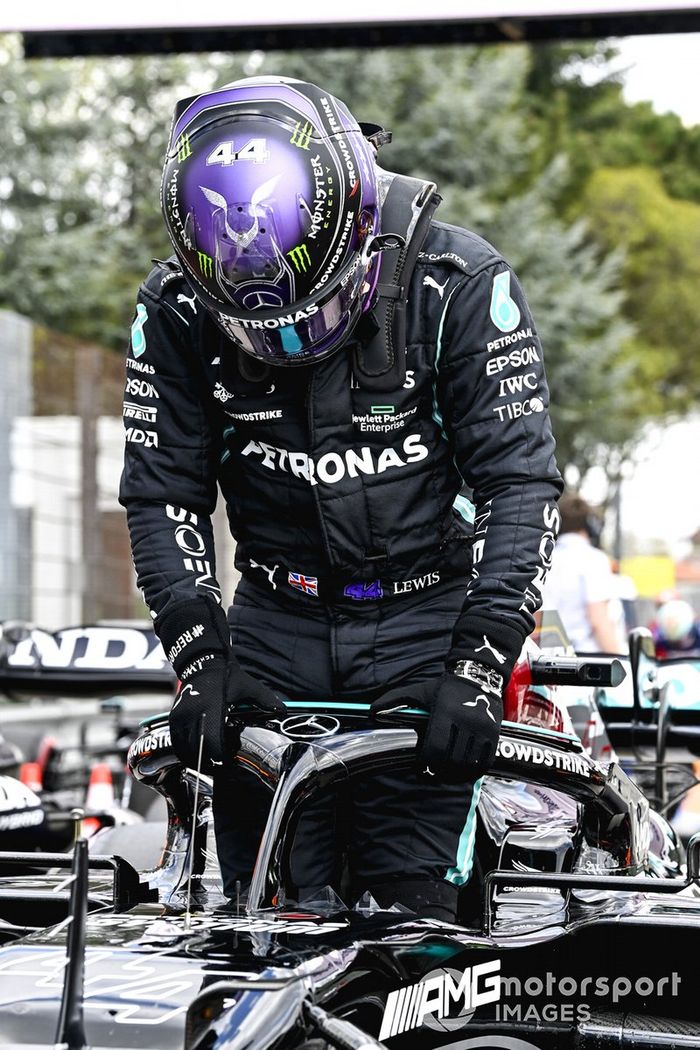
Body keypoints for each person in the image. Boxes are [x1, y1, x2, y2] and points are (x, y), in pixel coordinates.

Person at [119, 75, 563, 921]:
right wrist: (200, 657)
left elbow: (519, 482)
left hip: (426, 622)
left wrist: (479, 664)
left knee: (416, 915)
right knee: (265, 908)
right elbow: (161, 492)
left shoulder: (457, 283)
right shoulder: (175, 307)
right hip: (274, 625)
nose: (284, 338)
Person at [541, 493, 625, 654]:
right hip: (587, 663)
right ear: (590, 525)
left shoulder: (544, 560)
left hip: (546, 662)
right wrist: (622, 664)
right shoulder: (594, 559)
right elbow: (598, 621)